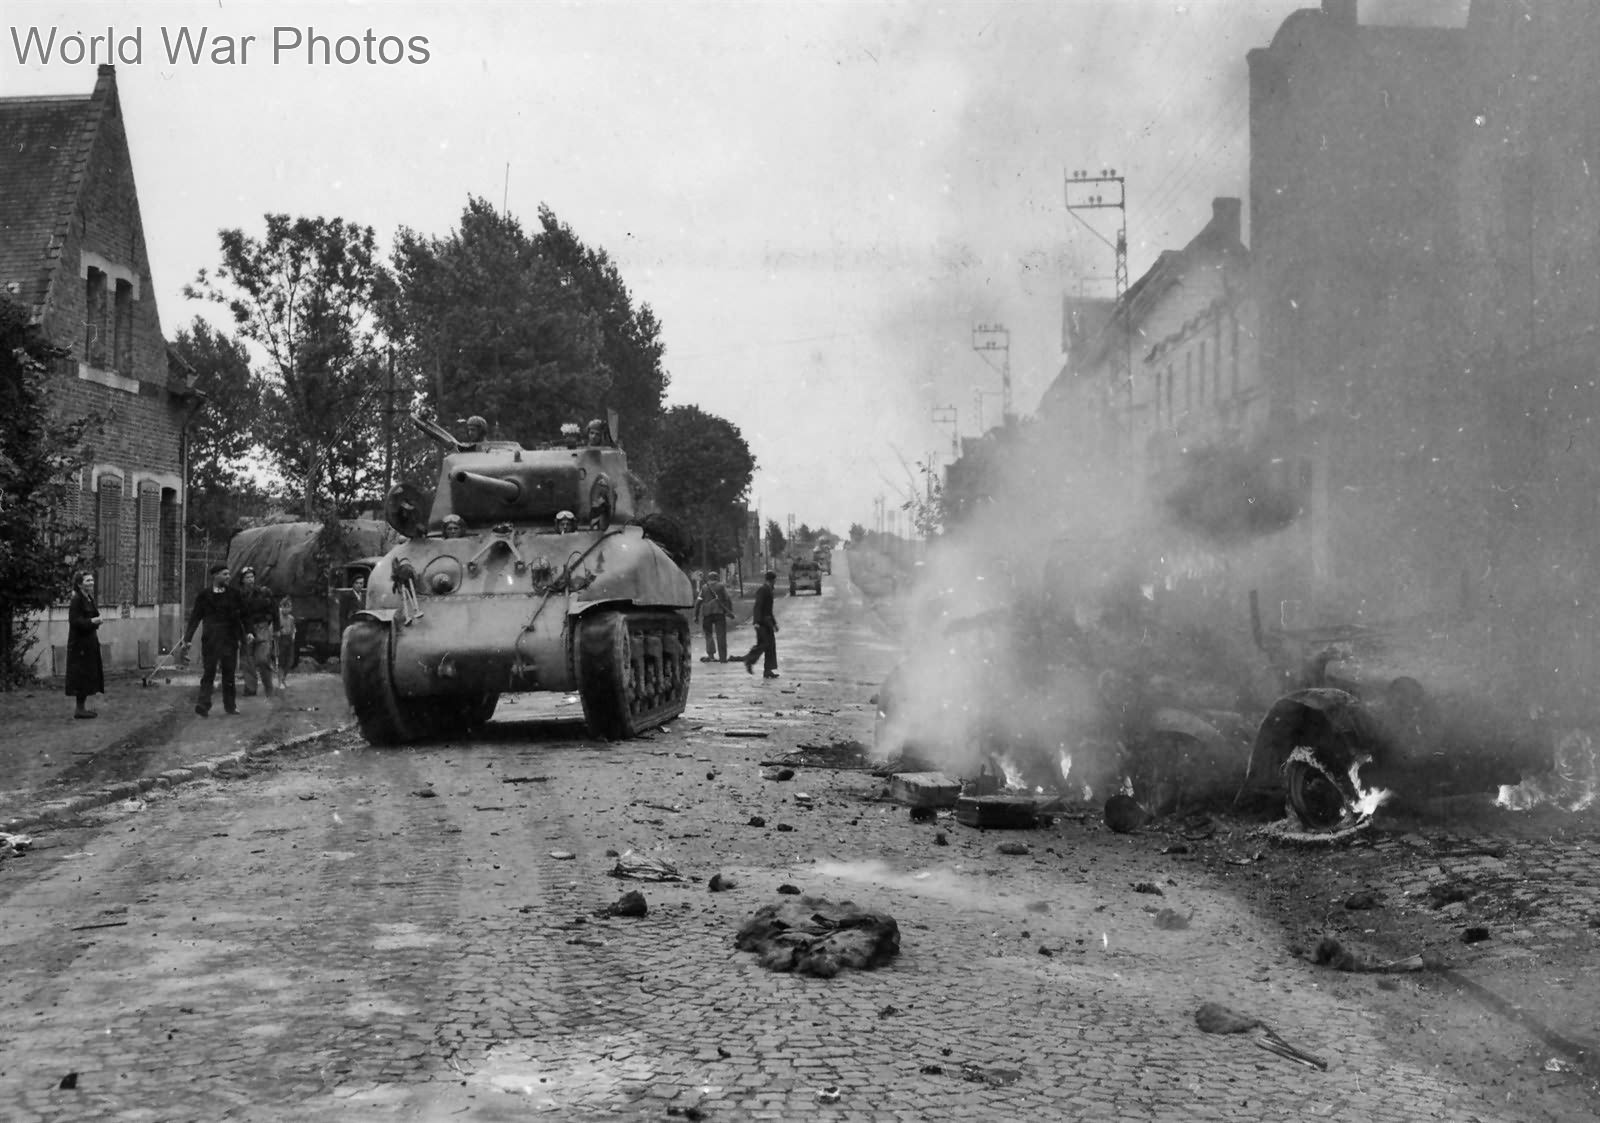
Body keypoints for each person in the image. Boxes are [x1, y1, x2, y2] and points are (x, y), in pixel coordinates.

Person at [181, 564, 246, 716]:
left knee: (229, 674)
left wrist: (246, 634)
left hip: (229, 639)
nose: (228, 577)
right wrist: (188, 639)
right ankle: (203, 705)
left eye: (228, 574)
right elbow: (195, 617)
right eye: (225, 574)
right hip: (211, 640)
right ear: (215, 576)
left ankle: (230, 706)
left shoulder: (234, 594)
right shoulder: (204, 595)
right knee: (209, 672)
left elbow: (243, 615)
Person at [64, 571, 104, 719]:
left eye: (92, 580)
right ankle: (79, 709)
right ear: (80, 583)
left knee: (88, 674)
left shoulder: (88, 599)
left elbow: (93, 614)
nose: (91, 583)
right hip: (79, 645)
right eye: (87, 581)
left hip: (89, 642)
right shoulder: (77, 600)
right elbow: (75, 622)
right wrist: (92, 622)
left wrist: (96, 620)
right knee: (81, 675)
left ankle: (82, 708)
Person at [237, 567, 279, 697]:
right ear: (242, 580)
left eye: (252, 577)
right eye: (247, 577)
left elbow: (274, 609)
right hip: (245, 630)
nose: (250, 580)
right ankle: (250, 688)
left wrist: (277, 628)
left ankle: (268, 686)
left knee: (262, 659)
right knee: (247, 660)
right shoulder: (239, 596)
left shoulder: (264, 593)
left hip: (262, 628)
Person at [742, 569, 780, 679]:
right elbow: (758, 606)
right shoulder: (763, 590)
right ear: (772, 580)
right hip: (762, 622)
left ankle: (768, 670)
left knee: (770, 646)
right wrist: (757, 622)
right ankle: (749, 660)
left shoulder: (769, 590)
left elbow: (769, 610)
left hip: (767, 622)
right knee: (763, 644)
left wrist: (774, 623)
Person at [696, 570, 735, 663]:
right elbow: (727, 598)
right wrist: (729, 611)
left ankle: (711, 655)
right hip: (719, 613)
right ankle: (723, 658)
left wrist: (696, 615)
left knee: (708, 635)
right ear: (717, 577)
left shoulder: (704, 587)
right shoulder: (721, 586)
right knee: (721, 636)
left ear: (709, 578)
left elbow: (698, 601)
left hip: (707, 614)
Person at [275, 594, 297, 685]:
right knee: (281, 661)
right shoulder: (278, 618)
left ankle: (284, 677)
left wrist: (293, 636)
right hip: (281, 639)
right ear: (281, 607)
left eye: (289, 607)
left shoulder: (291, 618)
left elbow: (293, 629)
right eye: (285, 607)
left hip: (289, 640)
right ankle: (280, 680)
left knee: (290, 661)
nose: (287, 609)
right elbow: (275, 629)